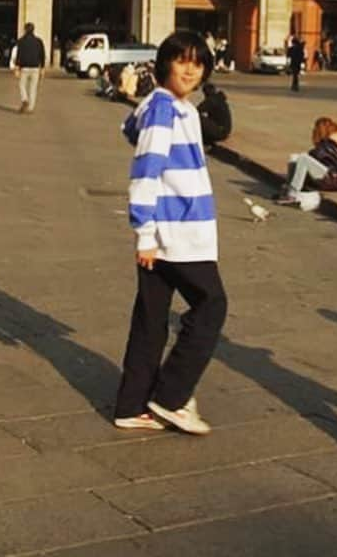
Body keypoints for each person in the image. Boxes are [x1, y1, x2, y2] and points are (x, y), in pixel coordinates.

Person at [114, 31, 226, 434]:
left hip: (169, 230)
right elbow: (145, 172)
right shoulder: (164, 108)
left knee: (151, 317)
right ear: (166, 64)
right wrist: (145, 234)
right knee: (211, 305)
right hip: (175, 232)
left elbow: (133, 132)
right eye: (182, 61)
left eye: (198, 63)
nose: (190, 69)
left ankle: (131, 404)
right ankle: (171, 396)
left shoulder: (177, 108)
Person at [282, 117, 337, 199]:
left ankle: (292, 194)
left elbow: (318, 155)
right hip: (333, 174)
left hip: (333, 177)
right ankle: (288, 187)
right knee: (295, 157)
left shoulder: (332, 139)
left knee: (302, 158)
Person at [11, 22, 46, 114]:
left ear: (25, 30)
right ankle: (31, 108)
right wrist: (42, 67)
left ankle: (24, 99)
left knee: (22, 85)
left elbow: (19, 55)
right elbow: (42, 55)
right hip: (35, 67)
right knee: (33, 88)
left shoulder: (21, 41)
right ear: (33, 29)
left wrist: (17, 67)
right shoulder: (39, 41)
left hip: (25, 67)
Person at [197, 81, 232, 145]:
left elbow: (196, 111)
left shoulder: (212, 100)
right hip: (224, 131)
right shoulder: (219, 98)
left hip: (220, 132)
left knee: (197, 117)